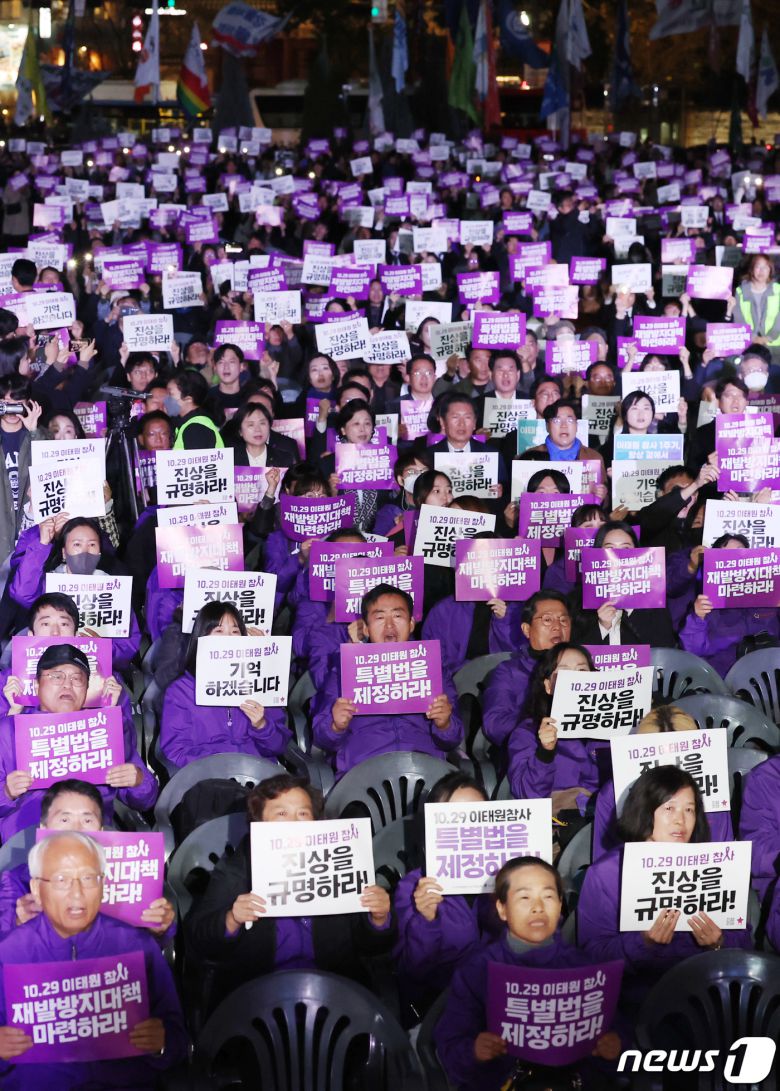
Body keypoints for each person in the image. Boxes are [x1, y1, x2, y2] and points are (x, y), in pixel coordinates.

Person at [184, 774, 395, 1013]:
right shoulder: (239, 867)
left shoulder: (342, 861)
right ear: (259, 823)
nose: (294, 822)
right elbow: (199, 938)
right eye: (282, 813)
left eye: (303, 813)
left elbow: (374, 948)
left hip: (334, 995)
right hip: (259, 999)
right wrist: (232, 919)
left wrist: (378, 919)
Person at [0, 832, 187, 1089]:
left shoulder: (136, 946)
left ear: (103, 884)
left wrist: (162, 1044)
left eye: (89, 878)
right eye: (62, 880)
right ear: (36, 889)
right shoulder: (9, 954)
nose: (77, 894)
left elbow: (179, 1042)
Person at [435, 856, 621, 1091]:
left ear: (560, 905)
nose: (538, 907)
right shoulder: (477, 970)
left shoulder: (587, 969)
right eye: (524, 897)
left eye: (548, 896)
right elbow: (449, 1048)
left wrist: (613, 1047)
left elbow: (617, 1032)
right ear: (502, 909)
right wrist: (474, 1051)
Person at [577, 767, 752, 1009]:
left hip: (709, 998)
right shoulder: (606, 874)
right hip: (635, 1003)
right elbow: (591, 957)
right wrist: (642, 943)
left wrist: (719, 944)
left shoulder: (717, 865)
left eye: (689, 810)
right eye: (669, 808)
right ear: (644, 811)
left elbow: (745, 943)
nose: (680, 820)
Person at [0, 643, 157, 839]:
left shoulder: (105, 728)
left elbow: (146, 800)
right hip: (27, 840)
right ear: (37, 685)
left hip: (91, 839)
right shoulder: (8, 730)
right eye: (56, 676)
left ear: (87, 690)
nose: (67, 685)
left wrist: (138, 780)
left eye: (77, 679)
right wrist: (7, 792)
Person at [311, 584, 463, 774]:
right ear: (366, 628)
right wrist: (336, 726)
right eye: (380, 617)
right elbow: (321, 738)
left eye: (398, 616)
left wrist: (445, 725)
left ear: (411, 624)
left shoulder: (432, 667)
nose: (389, 625)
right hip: (363, 772)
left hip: (424, 770)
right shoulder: (344, 670)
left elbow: (453, 739)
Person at [0, 778, 174, 939]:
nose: (76, 829)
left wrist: (160, 929)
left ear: (101, 830)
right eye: (64, 819)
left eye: (87, 820)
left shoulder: (130, 877)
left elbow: (149, 948)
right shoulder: (15, 883)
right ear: (44, 828)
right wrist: (17, 925)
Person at [393, 773, 502, 1012]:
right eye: (455, 819)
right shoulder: (413, 888)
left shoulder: (507, 877)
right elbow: (412, 972)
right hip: (442, 1007)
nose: (468, 828)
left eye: (476, 817)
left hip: (502, 997)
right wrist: (426, 921)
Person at [159, 602, 290, 771]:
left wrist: (262, 726)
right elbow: (176, 751)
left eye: (235, 632)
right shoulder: (181, 691)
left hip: (257, 776)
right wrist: (229, 758)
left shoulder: (261, 685)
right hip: (208, 777)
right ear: (201, 638)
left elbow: (279, 746)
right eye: (219, 631)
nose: (228, 638)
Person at [506, 643, 602, 810]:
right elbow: (526, 794)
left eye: (582, 671)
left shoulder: (617, 728)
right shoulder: (528, 732)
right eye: (564, 672)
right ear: (548, 686)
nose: (575, 679)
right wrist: (545, 753)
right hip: (562, 819)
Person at [679, 533, 780, 674]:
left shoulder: (770, 597)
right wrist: (698, 618)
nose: (733, 560)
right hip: (723, 679)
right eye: (725, 556)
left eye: (739, 552)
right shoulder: (706, 604)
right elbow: (693, 651)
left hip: (769, 675)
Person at [482, 591, 573, 747]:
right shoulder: (509, 672)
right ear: (526, 629)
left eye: (563, 620)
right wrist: (539, 725)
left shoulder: (580, 666)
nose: (557, 627)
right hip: (527, 750)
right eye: (547, 620)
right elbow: (495, 725)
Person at [574, 521, 677, 647]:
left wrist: (631, 608)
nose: (618, 555)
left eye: (626, 548)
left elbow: (665, 647)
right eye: (610, 548)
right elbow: (574, 653)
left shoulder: (654, 600)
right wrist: (603, 626)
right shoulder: (579, 600)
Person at [733, 255, 780, 356]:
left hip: (775, 345)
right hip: (749, 344)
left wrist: (768, 338)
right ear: (751, 269)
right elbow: (738, 318)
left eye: (765, 267)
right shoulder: (740, 291)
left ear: (770, 270)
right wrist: (753, 337)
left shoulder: (778, 290)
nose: (761, 271)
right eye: (758, 266)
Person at [166, 369, 223, 450]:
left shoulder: (196, 429)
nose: (165, 399)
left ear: (188, 399)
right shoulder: (185, 424)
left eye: (170, 394)